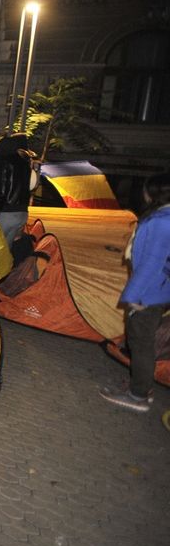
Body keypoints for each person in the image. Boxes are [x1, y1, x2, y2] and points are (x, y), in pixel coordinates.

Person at [99, 172, 170, 413]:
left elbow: (152, 263)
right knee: (142, 341)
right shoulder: (163, 217)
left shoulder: (161, 222)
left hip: (149, 293)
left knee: (140, 343)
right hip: (159, 290)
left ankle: (138, 395)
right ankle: (141, 386)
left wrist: (135, 296)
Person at [0, 132, 33, 244]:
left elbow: (1, 189)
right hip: (22, 212)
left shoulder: (3, 162)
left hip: (6, 212)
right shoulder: (25, 163)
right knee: (6, 248)